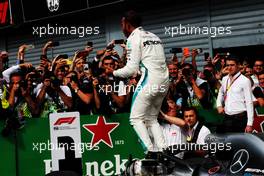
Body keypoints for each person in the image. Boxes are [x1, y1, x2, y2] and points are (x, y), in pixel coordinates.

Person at [109, 10, 169, 154]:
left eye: (121, 24)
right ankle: (164, 151)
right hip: (164, 81)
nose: (121, 27)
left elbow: (131, 70)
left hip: (150, 81)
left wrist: (112, 73)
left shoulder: (133, 38)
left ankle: (150, 152)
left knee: (135, 119)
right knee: (152, 119)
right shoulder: (155, 36)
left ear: (126, 23)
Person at [216, 56, 254, 133]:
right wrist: (219, 105)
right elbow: (221, 92)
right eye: (227, 65)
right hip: (227, 118)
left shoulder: (245, 80)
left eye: (232, 65)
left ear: (238, 65)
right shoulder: (224, 79)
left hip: (240, 119)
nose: (229, 67)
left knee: (239, 144)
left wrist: (250, 124)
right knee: (228, 143)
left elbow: (249, 102)